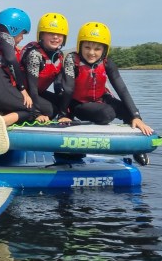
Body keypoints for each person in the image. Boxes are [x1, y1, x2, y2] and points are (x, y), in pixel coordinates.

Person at [58, 21, 154, 165]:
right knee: (107, 114)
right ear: (80, 46)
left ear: (104, 50)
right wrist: (64, 114)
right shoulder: (72, 60)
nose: (91, 52)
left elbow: (121, 88)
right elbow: (68, 88)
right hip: (78, 103)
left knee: (127, 110)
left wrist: (136, 116)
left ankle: (137, 149)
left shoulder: (107, 62)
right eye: (87, 47)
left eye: (97, 49)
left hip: (101, 99)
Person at [0, 8, 46, 154]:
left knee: (10, 105)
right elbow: (11, 60)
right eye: (21, 34)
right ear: (14, 29)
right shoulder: (4, 36)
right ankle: (2, 121)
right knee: (33, 110)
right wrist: (22, 89)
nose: (21, 38)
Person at [19, 13, 69, 120]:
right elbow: (32, 88)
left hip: (38, 92)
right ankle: (28, 114)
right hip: (23, 93)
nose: (55, 37)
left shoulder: (59, 56)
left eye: (59, 34)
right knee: (51, 111)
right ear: (41, 35)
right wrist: (37, 113)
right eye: (51, 33)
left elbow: (58, 87)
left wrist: (64, 113)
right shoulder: (34, 54)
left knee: (64, 104)